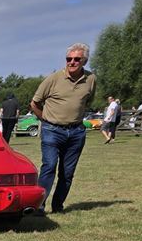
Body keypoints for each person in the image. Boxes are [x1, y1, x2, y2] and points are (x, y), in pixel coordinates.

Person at [29, 42, 96, 214]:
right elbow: (35, 103)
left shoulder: (91, 79)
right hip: (52, 130)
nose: (72, 62)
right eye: (69, 59)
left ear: (84, 61)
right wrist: (45, 119)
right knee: (49, 166)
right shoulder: (53, 78)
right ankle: (39, 206)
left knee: (67, 173)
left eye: (76, 59)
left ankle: (58, 206)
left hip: (76, 132)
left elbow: (88, 100)